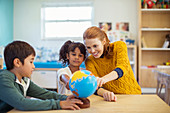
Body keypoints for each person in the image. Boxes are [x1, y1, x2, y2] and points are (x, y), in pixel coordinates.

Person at [0, 41, 83, 112]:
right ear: (17, 62)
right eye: (31, 62)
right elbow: (22, 103)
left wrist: (65, 98)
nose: (33, 66)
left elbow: (44, 94)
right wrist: (59, 104)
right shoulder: (4, 79)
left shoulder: (24, 80)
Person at [83, 26, 141, 94]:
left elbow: (122, 67)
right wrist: (105, 93)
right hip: (111, 98)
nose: (92, 51)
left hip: (132, 93)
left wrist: (104, 79)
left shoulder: (119, 46)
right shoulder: (90, 60)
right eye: (88, 47)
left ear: (103, 41)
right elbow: (95, 86)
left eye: (95, 46)